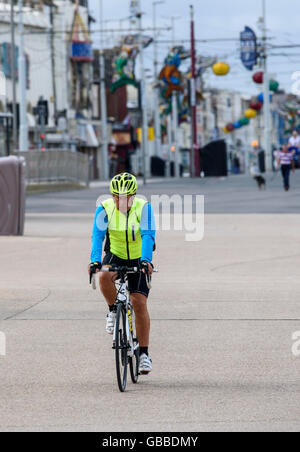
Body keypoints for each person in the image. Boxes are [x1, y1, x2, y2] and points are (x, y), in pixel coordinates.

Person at [88, 173, 156, 375]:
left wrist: (146, 260)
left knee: (138, 302)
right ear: (113, 196)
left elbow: (147, 235)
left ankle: (143, 354)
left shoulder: (144, 208)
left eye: (127, 197)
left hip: (138, 258)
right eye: (118, 197)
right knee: (104, 276)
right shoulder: (104, 208)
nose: (122, 201)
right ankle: (112, 310)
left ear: (134, 196)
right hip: (115, 255)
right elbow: (97, 237)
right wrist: (95, 261)